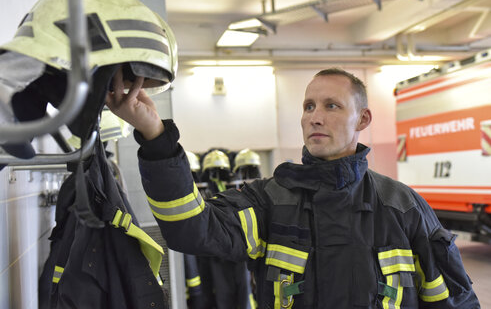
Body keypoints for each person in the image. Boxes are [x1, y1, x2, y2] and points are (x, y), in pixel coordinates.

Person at [106, 67, 480, 308]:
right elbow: (190, 228)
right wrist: (154, 136)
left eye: (332, 105)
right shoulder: (268, 201)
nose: (315, 116)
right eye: (308, 106)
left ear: (363, 118)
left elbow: (453, 300)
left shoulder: (402, 208)